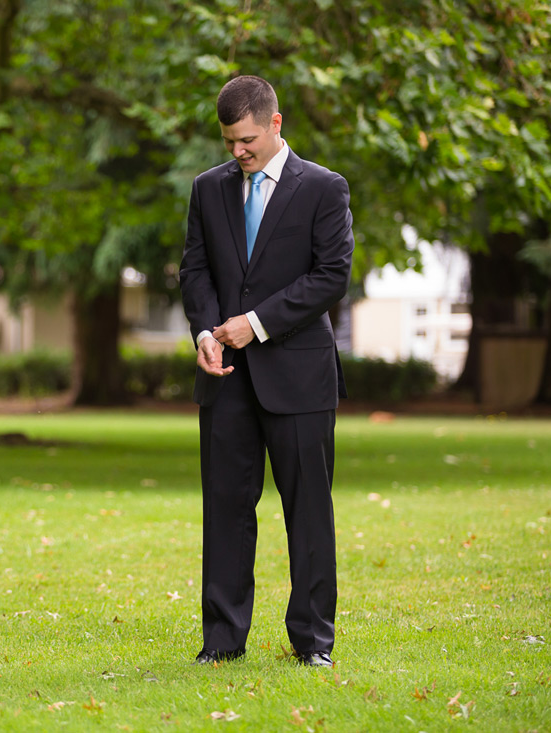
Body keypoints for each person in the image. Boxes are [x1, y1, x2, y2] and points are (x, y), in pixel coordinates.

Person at [179, 75, 353, 668]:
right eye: (228, 141)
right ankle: (222, 642)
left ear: (275, 124)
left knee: (308, 511)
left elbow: (331, 276)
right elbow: (194, 271)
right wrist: (206, 332)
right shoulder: (207, 190)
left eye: (247, 139)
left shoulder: (324, 189)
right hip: (223, 378)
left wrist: (254, 322)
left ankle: (313, 642)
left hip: (301, 380)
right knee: (225, 509)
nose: (237, 152)